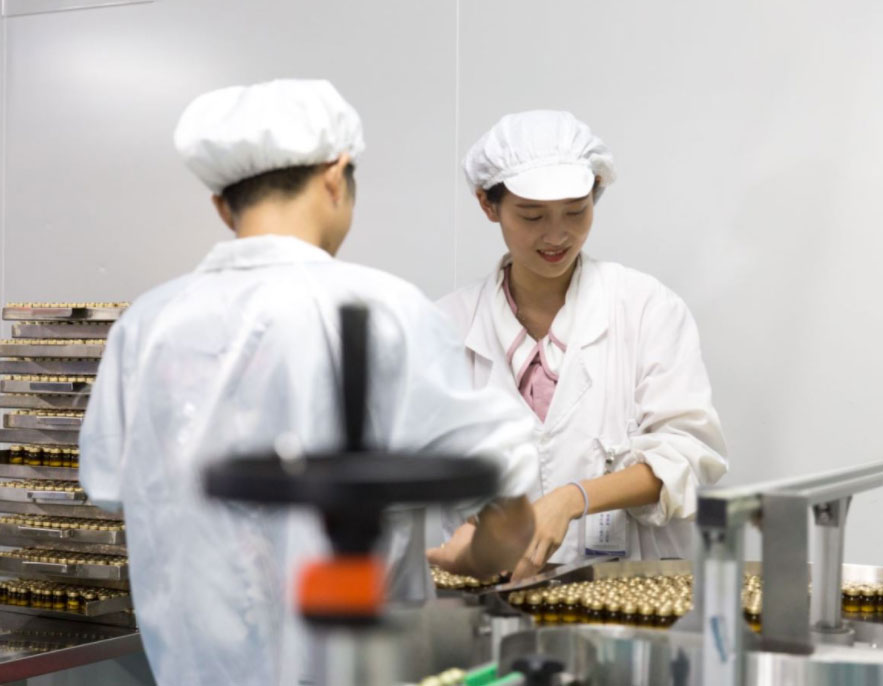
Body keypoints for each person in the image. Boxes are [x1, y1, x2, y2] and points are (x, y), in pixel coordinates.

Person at [78, 79, 536, 686]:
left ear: (221, 206)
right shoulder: (385, 311)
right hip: (357, 672)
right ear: (335, 176)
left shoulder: (146, 325)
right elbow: (506, 506)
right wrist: (475, 555)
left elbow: (109, 485)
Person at [431, 110, 727, 581]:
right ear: (488, 205)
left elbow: (689, 454)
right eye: (532, 216)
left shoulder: (646, 308)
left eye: (576, 211)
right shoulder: (444, 327)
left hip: (630, 590)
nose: (557, 235)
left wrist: (574, 498)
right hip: (490, 592)